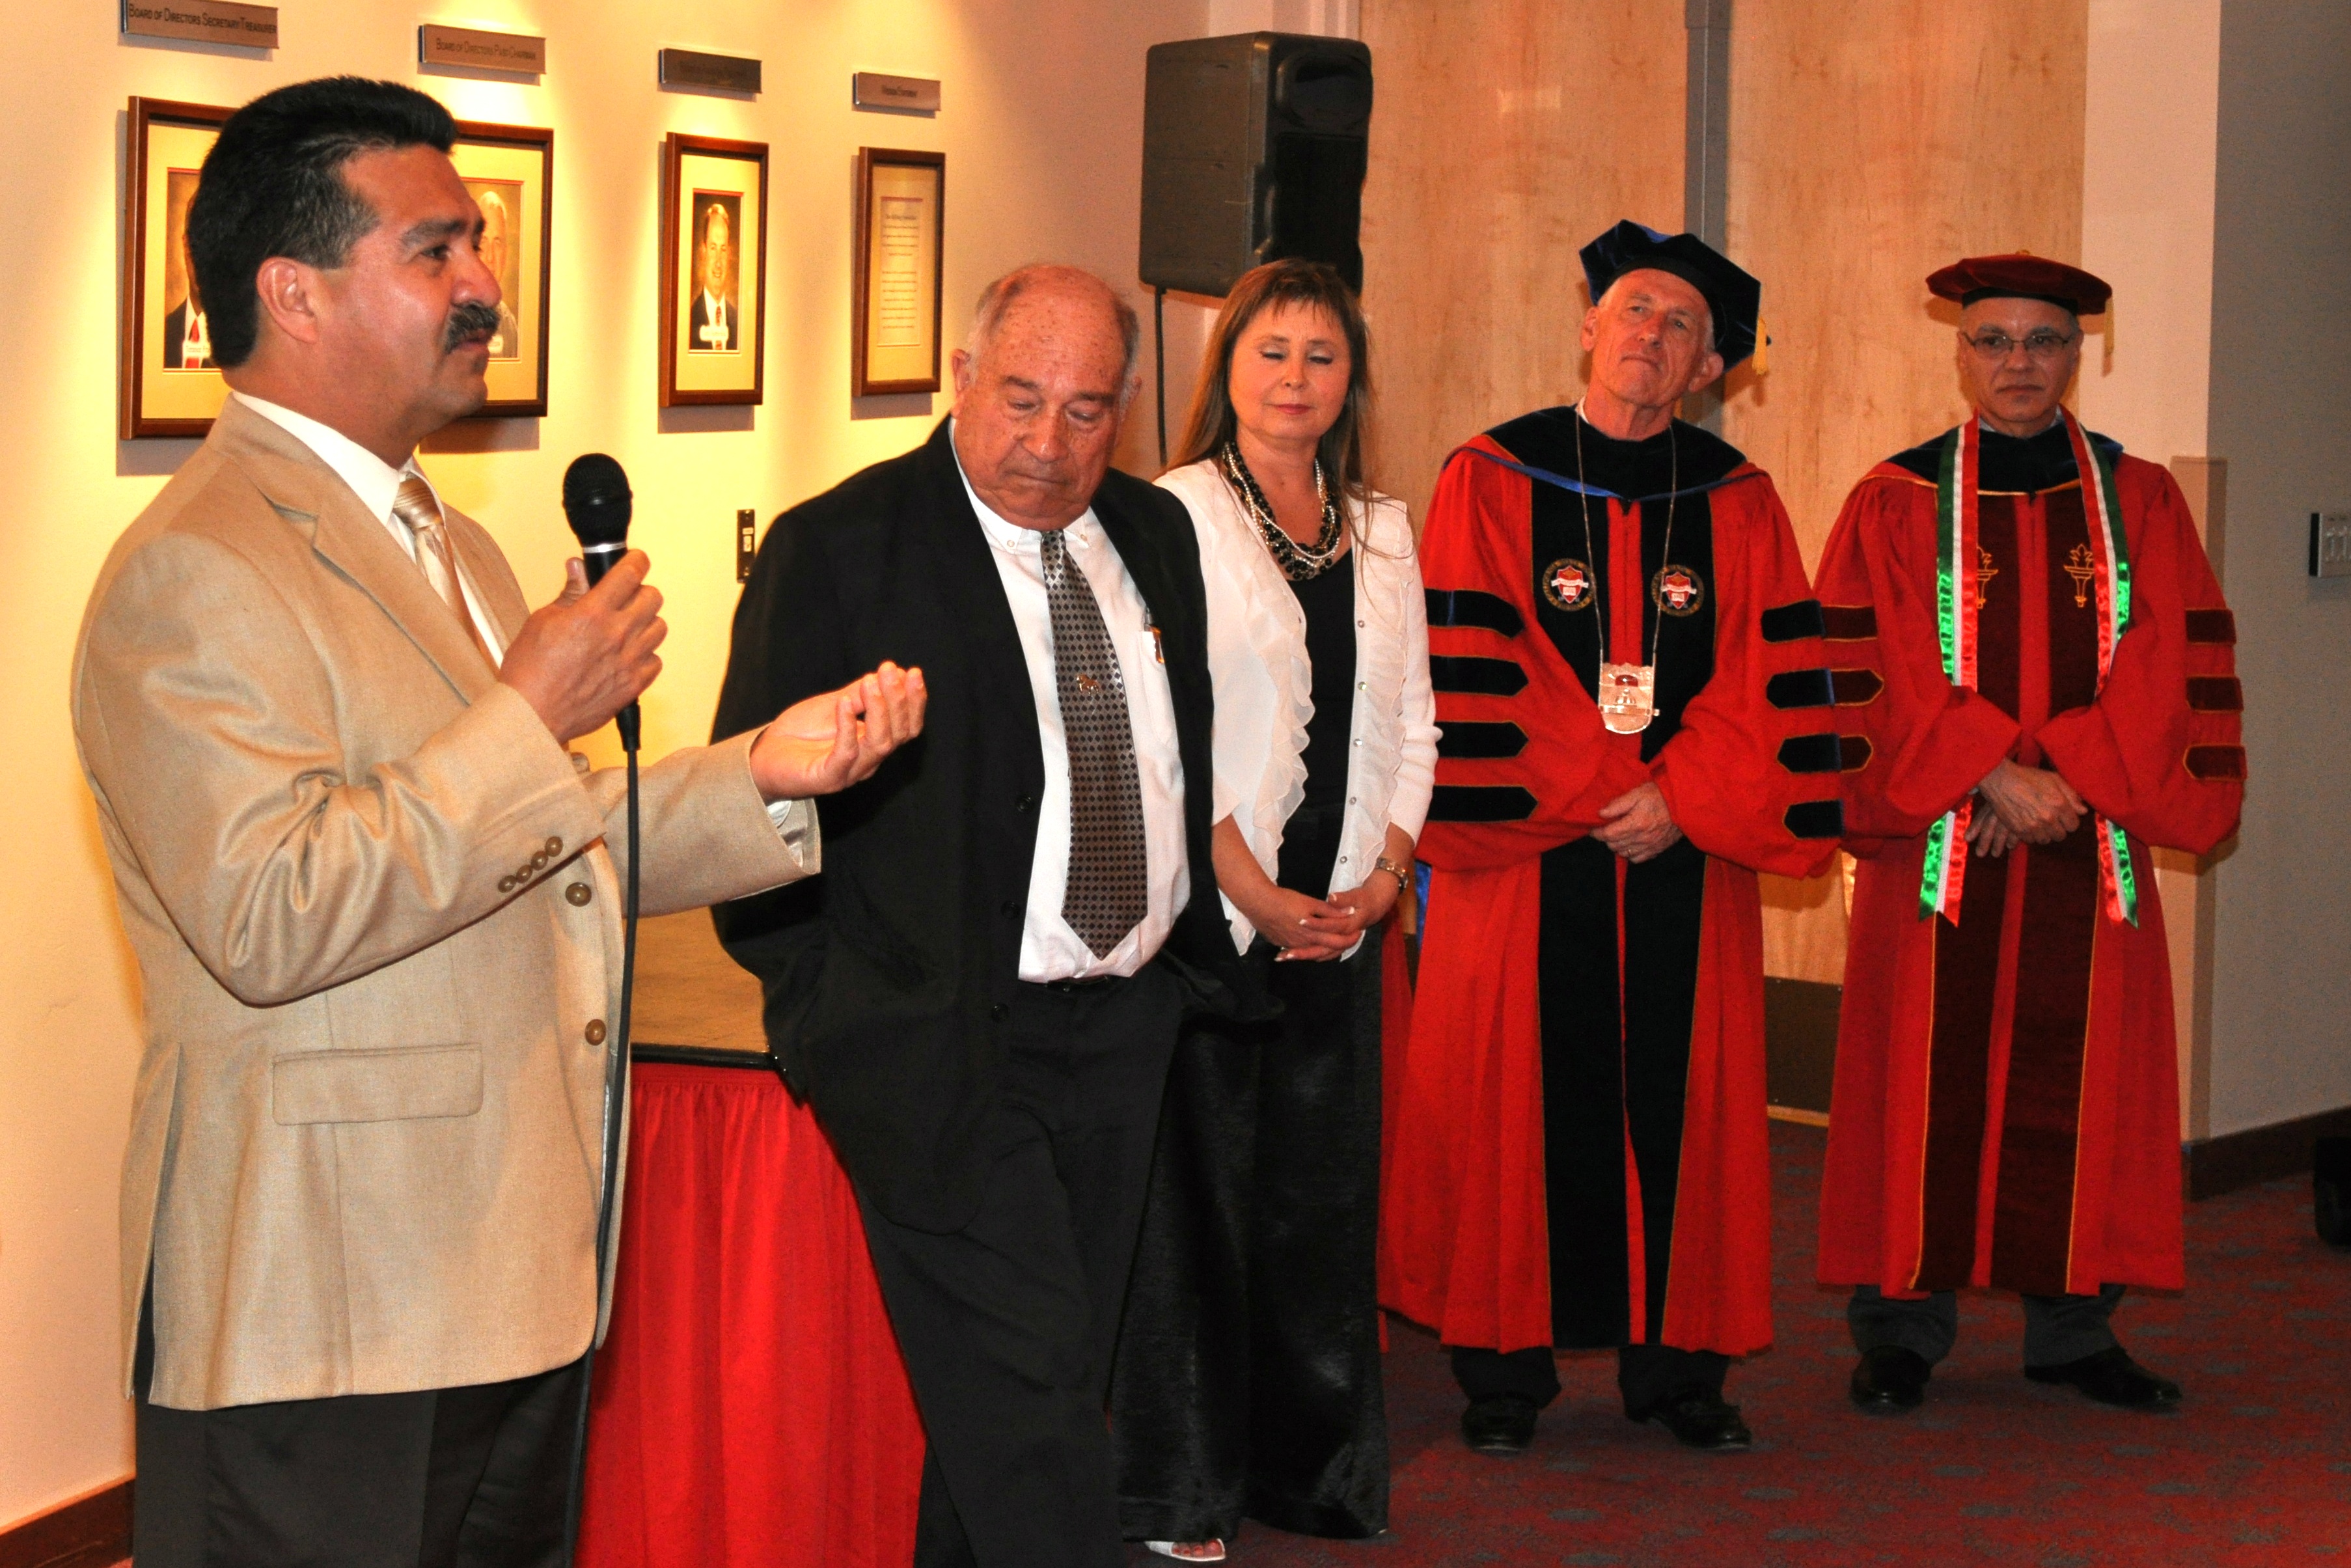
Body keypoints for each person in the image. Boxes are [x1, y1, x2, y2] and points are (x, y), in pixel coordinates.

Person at [74, 77, 923, 1568]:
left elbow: (533, 836)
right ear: (295, 293)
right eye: (436, 251)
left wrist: (762, 778)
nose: (485, 286)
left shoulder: (444, 538)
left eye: (476, 244)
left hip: (503, 1269)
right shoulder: (193, 568)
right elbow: (272, 909)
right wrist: (529, 710)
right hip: (326, 1301)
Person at [712, 264, 1252, 1568]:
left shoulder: (1153, 533)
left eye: (1085, 411)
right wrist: (831, 1015)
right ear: (959, 377)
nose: (1047, 444)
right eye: (1019, 399)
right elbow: (743, 810)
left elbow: (1172, 752)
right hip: (938, 1040)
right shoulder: (840, 547)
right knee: (1032, 1413)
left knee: (1037, 1386)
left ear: (1125, 407)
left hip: (1123, 1030)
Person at [1381, 221, 1845, 1455]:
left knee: (1689, 1104)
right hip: (1528, 861)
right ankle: (1503, 1366)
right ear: (1588, 325)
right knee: (1507, 1101)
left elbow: (1766, 676)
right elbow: (1473, 663)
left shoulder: (1739, 499)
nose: (1652, 334)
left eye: (1681, 325)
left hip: (1688, 854)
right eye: (1634, 309)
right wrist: (1608, 788)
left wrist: (1683, 796)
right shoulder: (1490, 475)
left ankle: (1680, 1368)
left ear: (1710, 366)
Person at [1814, 254, 2245, 1415]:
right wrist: (1987, 775)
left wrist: (2060, 778)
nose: (2018, 362)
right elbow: (1868, 665)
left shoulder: (2140, 498)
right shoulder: (1894, 500)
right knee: (1916, 1077)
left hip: (2084, 838)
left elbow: (2172, 657)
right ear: (1959, 354)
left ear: (2077, 354)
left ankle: (2072, 1330)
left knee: (2089, 1077)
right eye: (1993, 340)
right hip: (1940, 843)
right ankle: (1901, 1330)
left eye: (2042, 340)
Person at [1108, 260, 1437, 1562]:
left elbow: (1415, 721)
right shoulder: (1175, 512)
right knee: (1200, 1215)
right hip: (1217, 919)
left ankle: (1315, 1472)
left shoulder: (1385, 528)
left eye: (1321, 355)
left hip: (1345, 919)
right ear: (1227, 369)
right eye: (1271, 351)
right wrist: (1255, 891)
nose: (1295, 377)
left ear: (1351, 380)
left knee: (1317, 1205)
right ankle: (1183, 1488)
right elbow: (1163, 729)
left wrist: (1384, 879)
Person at [690, 202, 737, 351]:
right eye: (713, 248)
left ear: (729, 254)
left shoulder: (739, 322)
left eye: (723, 250)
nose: (718, 262)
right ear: (703, 252)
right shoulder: (689, 320)